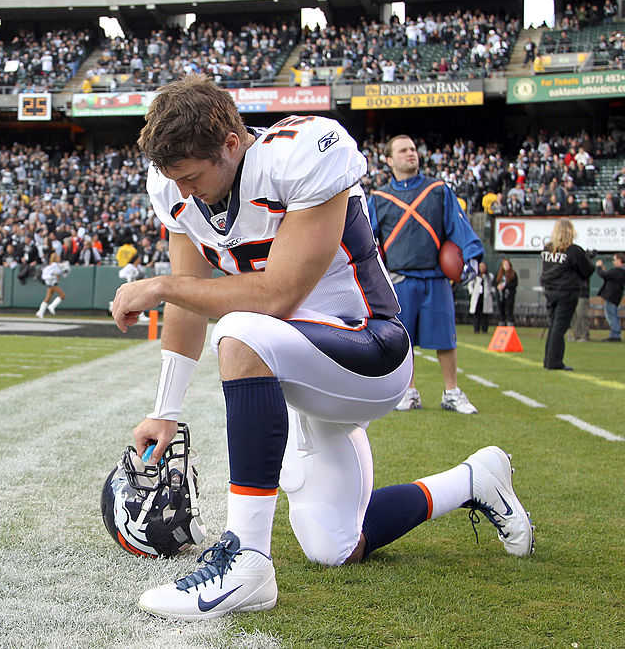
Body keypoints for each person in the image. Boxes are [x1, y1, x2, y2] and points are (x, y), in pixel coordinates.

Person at [110, 75, 533, 622]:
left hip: (370, 349)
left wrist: (161, 285)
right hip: (302, 372)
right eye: (177, 181)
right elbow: (192, 303)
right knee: (336, 547)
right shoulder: (175, 189)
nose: (185, 193)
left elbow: (277, 294)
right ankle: (475, 480)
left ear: (231, 143)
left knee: (239, 330)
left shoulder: (303, 151)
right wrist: (163, 412)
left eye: (193, 177)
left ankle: (247, 560)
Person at [367, 134, 484, 414]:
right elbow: (367, 239)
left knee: (445, 339)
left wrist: (473, 256)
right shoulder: (379, 197)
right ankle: (409, 392)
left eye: (413, 150)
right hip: (399, 280)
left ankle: (451, 392)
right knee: (402, 341)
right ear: (388, 159)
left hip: (435, 278)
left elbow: (459, 226)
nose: (411, 154)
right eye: (403, 150)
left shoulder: (439, 190)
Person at [539, 218, 595, 370]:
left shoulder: (547, 249)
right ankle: (554, 362)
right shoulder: (574, 250)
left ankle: (548, 360)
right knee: (560, 327)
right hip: (567, 292)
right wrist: (588, 258)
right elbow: (587, 270)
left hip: (550, 291)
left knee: (553, 326)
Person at [595, 253, 625, 342]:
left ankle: (615, 335)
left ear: (619, 261)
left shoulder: (619, 270)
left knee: (611, 316)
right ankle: (615, 334)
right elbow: (608, 276)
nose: (613, 261)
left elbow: (603, 275)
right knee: (612, 315)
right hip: (615, 296)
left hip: (612, 296)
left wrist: (599, 267)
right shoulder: (620, 271)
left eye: (615, 259)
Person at [36, 252, 68, 318]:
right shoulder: (55, 265)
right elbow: (58, 273)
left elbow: (58, 274)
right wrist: (65, 270)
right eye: (58, 257)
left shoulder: (54, 265)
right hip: (52, 283)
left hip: (51, 283)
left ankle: (40, 312)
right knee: (62, 295)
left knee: (47, 298)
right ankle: (52, 306)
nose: (59, 258)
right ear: (55, 258)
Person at [467, 260, 495, 334]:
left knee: (485, 314)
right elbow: (470, 285)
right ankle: (476, 329)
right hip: (477, 297)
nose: (482, 268)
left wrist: (491, 292)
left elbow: (492, 286)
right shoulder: (474, 276)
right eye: (481, 267)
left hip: (485, 297)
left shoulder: (489, 276)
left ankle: (484, 330)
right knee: (477, 314)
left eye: (483, 267)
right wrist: (472, 292)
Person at [494, 258, 518, 326]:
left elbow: (514, 284)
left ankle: (510, 324)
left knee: (509, 310)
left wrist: (505, 286)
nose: (506, 266)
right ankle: (502, 323)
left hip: (509, 296)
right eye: (505, 265)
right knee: (501, 310)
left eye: (507, 265)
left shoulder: (513, 274)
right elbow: (495, 283)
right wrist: (498, 286)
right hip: (500, 296)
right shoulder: (499, 274)